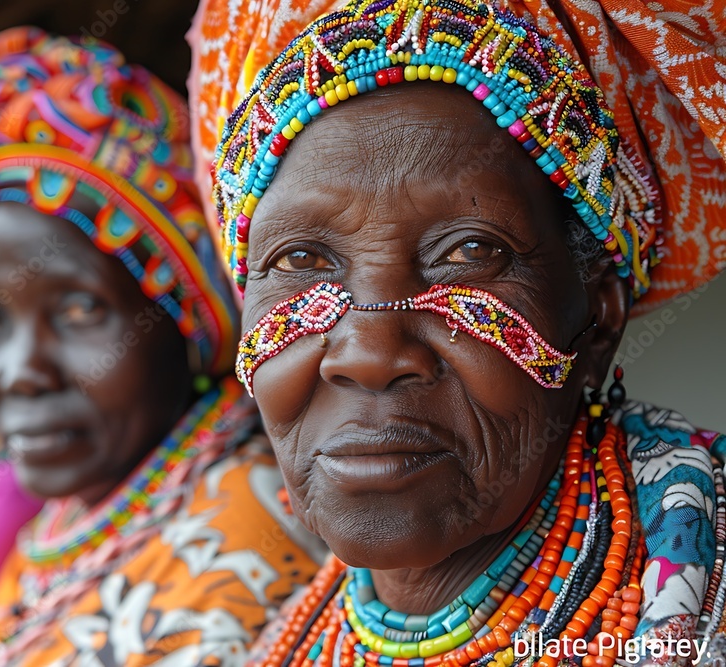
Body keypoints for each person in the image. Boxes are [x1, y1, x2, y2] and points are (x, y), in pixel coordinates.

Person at [191, 0, 726, 664]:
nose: (368, 353)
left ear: (598, 320)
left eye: (471, 251)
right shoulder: (275, 640)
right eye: (299, 261)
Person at [0, 29, 326, 667]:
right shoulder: (51, 526)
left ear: (181, 317)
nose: (22, 372)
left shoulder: (247, 532)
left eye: (79, 310)